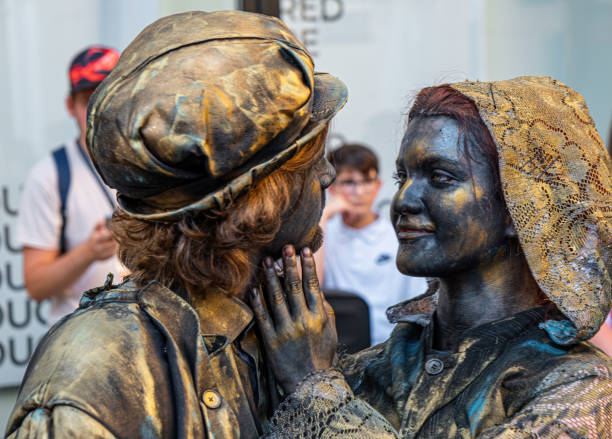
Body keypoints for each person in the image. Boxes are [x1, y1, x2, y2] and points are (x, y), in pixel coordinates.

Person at [5, 11, 346, 438]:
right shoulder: (95, 375)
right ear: (264, 200)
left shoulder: (287, 329)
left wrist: (314, 385)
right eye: (312, 162)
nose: (327, 176)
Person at [253, 76, 612, 438]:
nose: (404, 201)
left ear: (519, 210)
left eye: (440, 177)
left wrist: (316, 388)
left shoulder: (578, 385)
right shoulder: (374, 368)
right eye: (402, 177)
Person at [16, 45, 123, 326]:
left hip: (147, 337)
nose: (100, 110)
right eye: (90, 100)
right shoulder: (48, 175)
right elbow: (36, 285)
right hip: (79, 345)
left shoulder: (158, 165)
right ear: (70, 106)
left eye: (111, 97)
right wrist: (89, 252)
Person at [316, 143, 427, 344]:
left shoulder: (398, 237)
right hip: (334, 346)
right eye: (349, 182)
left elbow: (417, 306)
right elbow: (310, 290)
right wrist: (323, 216)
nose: (358, 191)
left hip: (386, 349)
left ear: (377, 186)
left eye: (367, 181)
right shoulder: (324, 234)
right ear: (332, 188)